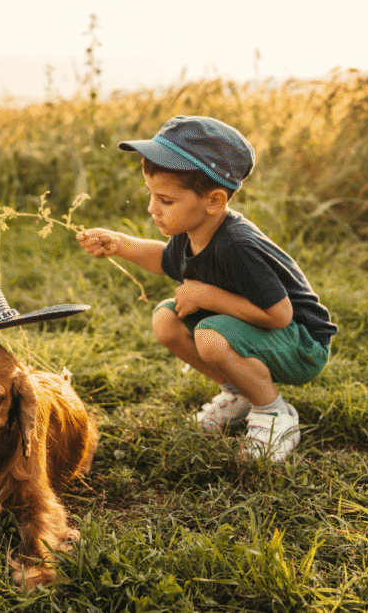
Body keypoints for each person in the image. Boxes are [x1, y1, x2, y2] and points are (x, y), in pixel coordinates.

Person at [77, 115, 336, 462]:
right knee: (166, 320)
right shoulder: (193, 232)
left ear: (214, 201)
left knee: (210, 336)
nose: (152, 208)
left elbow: (279, 315)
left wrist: (207, 296)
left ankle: (274, 413)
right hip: (263, 331)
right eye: (151, 195)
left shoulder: (237, 246)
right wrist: (120, 244)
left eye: (165, 200)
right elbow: (166, 260)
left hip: (302, 344)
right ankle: (241, 395)